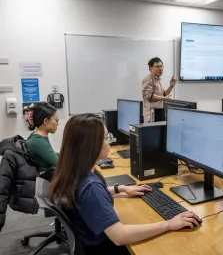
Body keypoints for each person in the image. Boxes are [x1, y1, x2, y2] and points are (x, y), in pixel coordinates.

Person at [50, 114, 200, 255]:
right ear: (91, 145)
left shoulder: (74, 171)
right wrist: (168, 224)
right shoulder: (90, 187)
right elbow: (119, 236)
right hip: (106, 249)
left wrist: (120, 188)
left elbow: (88, 197)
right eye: (106, 137)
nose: (109, 140)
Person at [26, 102, 59, 180]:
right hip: (46, 178)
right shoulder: (37, 141)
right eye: (56, 120)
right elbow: (58, 163)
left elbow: (51, 153)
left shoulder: (38, 137)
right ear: (45, 121)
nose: (58, 123)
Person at [142, 57, 177, 123]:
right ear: (151, 68)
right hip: (151, 115)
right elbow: (149, 95)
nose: (160, 69)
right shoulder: (148, 79)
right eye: (157, 66)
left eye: (161, 66)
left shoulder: (159, 79)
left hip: (159, 112)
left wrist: (171, 86)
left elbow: (163, 94)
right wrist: (164, 98)